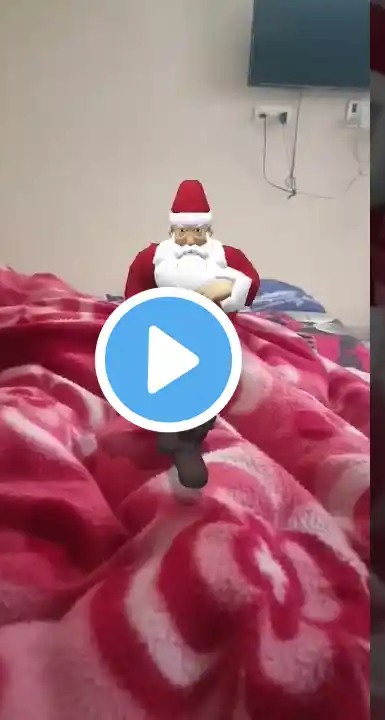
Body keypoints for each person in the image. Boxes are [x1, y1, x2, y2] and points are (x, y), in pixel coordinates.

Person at [122, 179, 260, 497]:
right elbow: (133, 299)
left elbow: (251, 286)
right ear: (172, 230)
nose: (189, 240)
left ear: (208, 230)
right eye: (182, 232)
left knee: (206, 387)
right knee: (163, 379)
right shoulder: (152, 258)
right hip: (164, 333)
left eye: (197, 232)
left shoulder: (227, 258)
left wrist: (229, 286)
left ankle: (188, 443)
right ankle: (167, 425)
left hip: (212, 336)